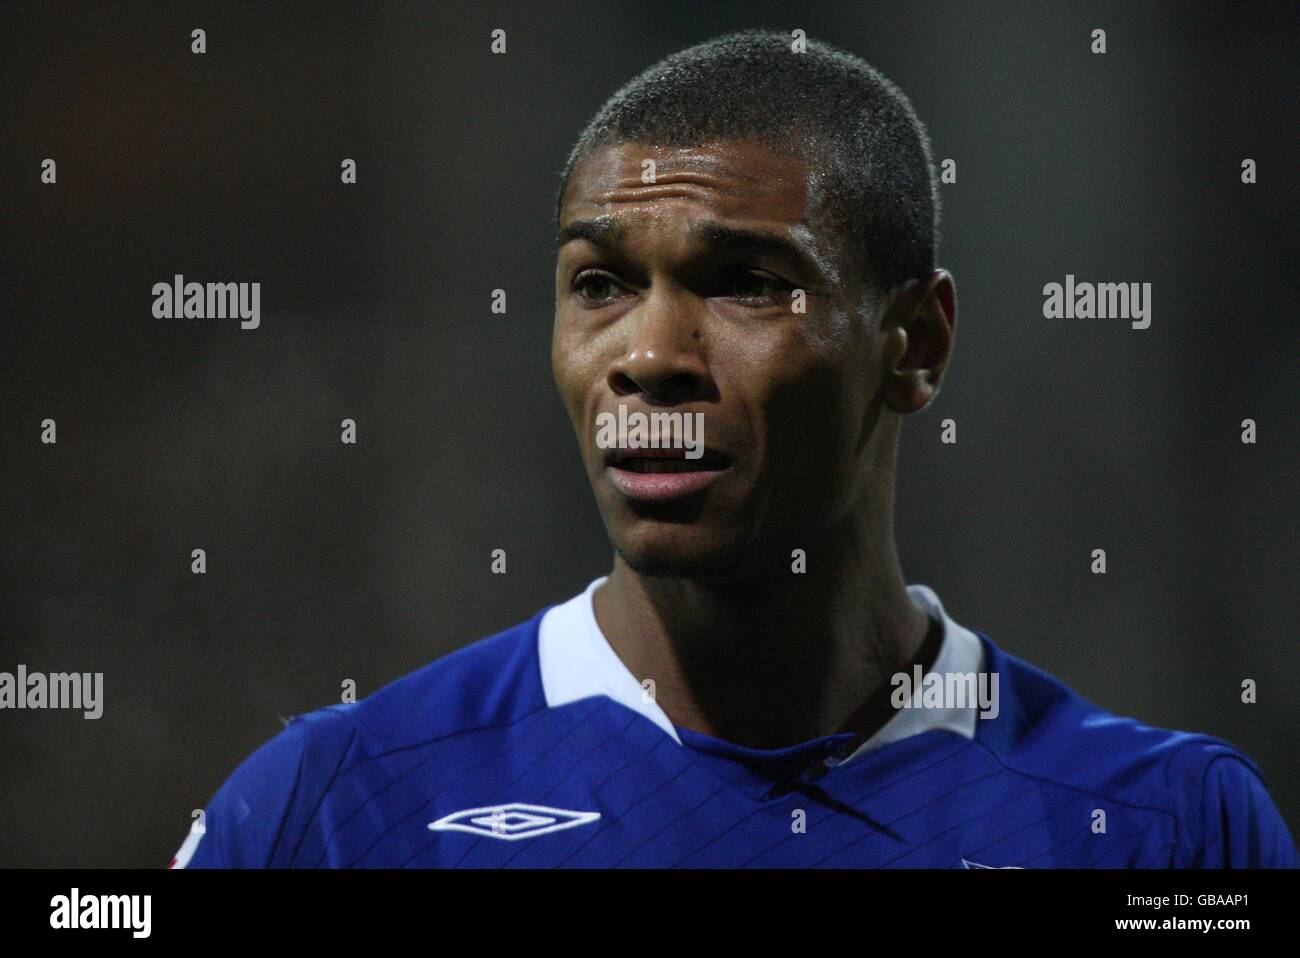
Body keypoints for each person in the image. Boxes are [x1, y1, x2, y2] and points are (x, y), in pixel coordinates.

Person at [170, 29, 1296, 869]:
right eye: (599, 284)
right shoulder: (329, 809)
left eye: (747, 282)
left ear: (917, 341)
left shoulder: (1164, 830)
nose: (648, 353)